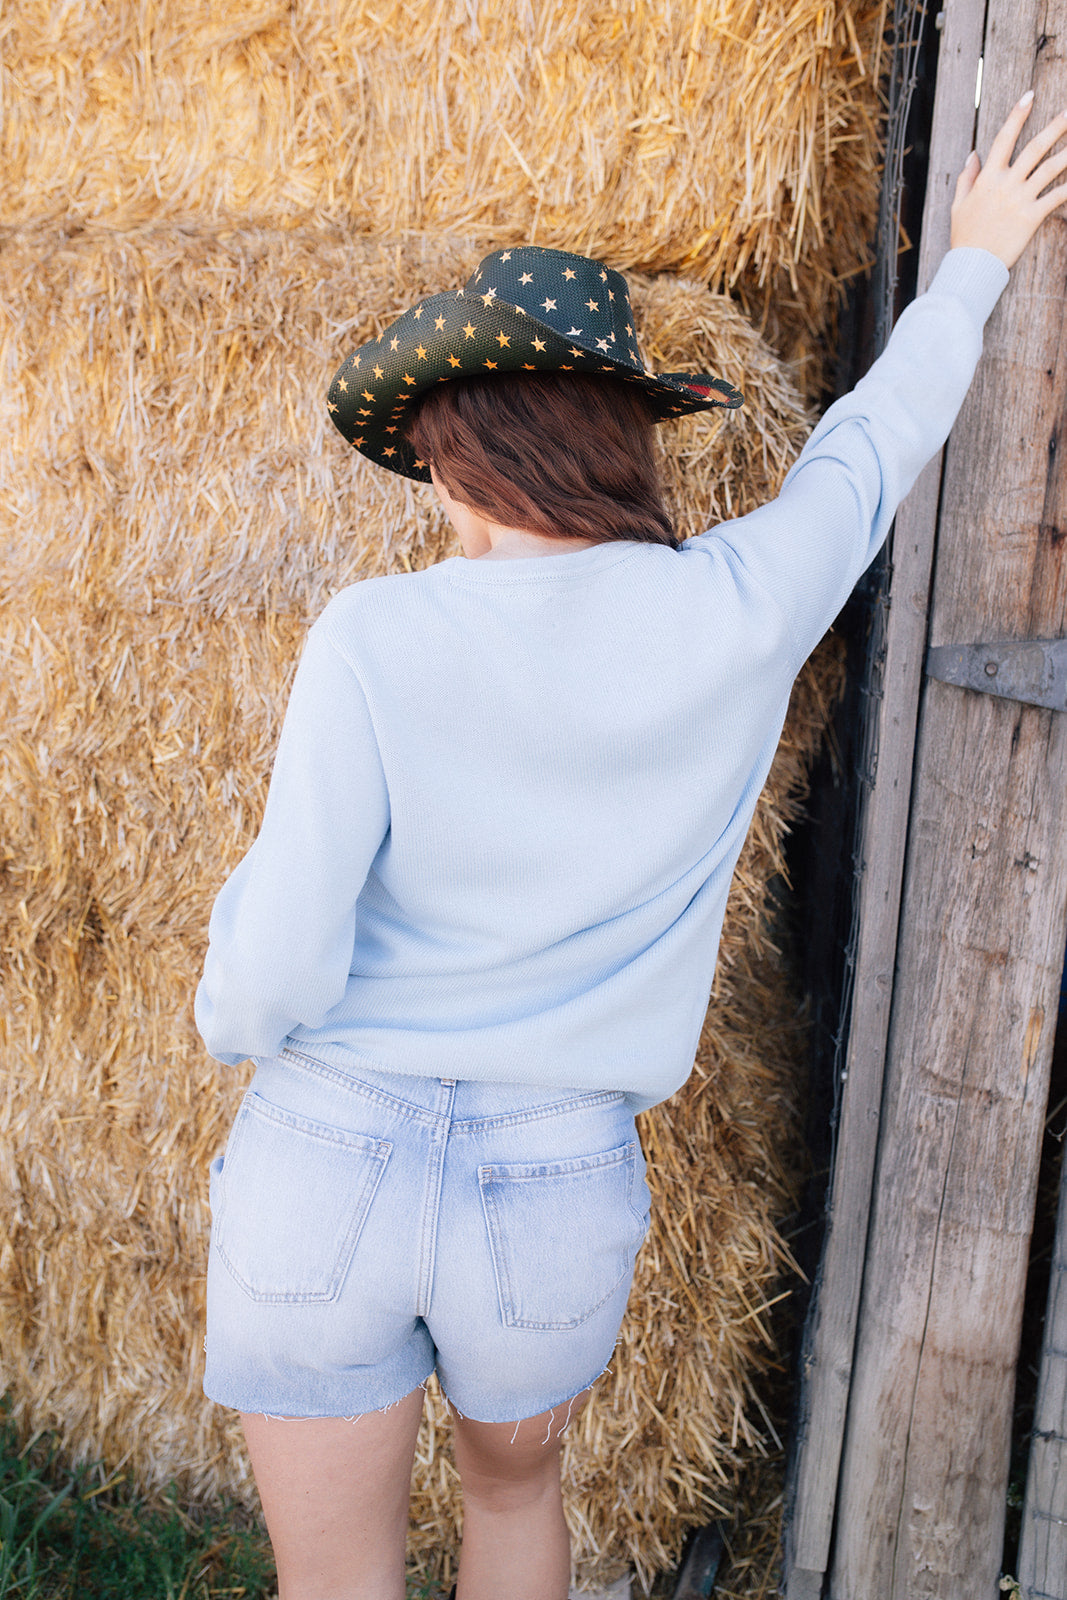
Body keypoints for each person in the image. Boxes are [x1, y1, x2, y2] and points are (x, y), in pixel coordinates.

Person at [194, 97, 1067, 1600]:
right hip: (552, 1180)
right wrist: (975, 260)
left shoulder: (378, 635)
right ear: (619, 441)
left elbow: (276, 955)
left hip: (329, 1153)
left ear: (454, 449)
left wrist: (235, 1023)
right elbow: (867, 457)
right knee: (517, 1499)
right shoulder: (731, 613)